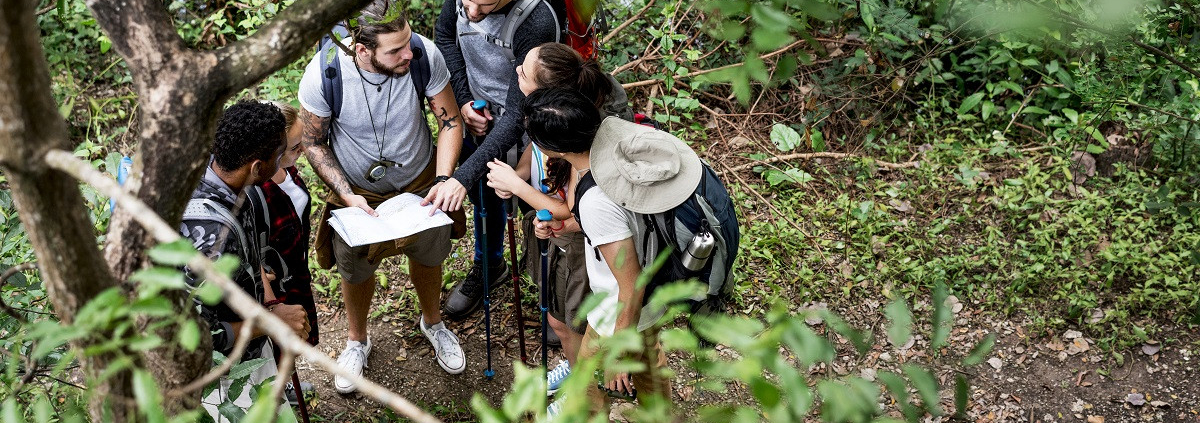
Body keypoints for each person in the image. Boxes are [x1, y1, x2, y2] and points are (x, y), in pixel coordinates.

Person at [296, 0, 468, 393]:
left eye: (408, 43)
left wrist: (443, 178)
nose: (409, 53)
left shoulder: (423, 54)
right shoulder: (325, 73)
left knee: (429, 253)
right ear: (363, 50)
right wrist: (346, 194)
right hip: (357, 191)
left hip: (422, 179)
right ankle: (358, 341)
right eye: (395, 50)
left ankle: (433, 323)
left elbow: (450, 121)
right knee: (355, 268)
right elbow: (313, 142)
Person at [522, 88, 677, 415]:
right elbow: (621, 223)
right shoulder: (612, 148)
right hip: (651, 300)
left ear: (554, 149)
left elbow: (630, 285)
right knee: (651, 367)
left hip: (617, 312)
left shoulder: (596, 199)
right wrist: (564, 227)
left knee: (588, 394)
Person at [483, 42, 622, 394]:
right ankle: (575, 371)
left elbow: (571, 209)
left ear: (551, 95)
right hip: (552, 230)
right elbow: (536, 148)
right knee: (558, 318)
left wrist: (516, 185)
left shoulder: (581, 138)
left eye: (523, 72)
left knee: (571, 323)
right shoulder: (552, 117)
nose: (516, 71)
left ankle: (582, 391)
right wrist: (518, 174)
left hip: (577, 242)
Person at [432, 0, 561, 320]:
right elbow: (445, 35)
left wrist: (463, 176)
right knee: (485, 200)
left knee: (542, 214)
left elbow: (521, 113)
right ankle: (489, 266)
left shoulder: (537, 19)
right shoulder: (465, 2)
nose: (471, 12)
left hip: (532, 129)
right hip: (480, 117)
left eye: (485, 4)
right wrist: (462, 100)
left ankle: (556, 299)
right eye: (467, 1)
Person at [182, 100, 310, 419]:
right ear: (256, 167)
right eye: (279, 157)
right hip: (223, 377)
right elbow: (201, 338)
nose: (283, 164)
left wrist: (270, 305)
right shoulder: (212, 239)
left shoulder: (225, 175)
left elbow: (250, 265)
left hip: (253, 339)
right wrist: (270, 323)